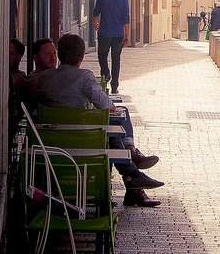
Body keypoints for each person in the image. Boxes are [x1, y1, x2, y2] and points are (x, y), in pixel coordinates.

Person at [35, 34, 164, 207]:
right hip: (84, 147)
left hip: (50, 146)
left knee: (111, 130)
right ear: (81, 58)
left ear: (59, 55)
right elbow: (107, 106)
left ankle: (133, 177)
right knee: (118, 119)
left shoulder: (44, 78)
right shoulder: (85, 76)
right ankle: (132, 164)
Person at [92, 0, 130, 94]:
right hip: (118, 33)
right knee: (116, 59)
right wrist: (127, 33)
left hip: (104, 32)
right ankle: (114, 86)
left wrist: (95, 24)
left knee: (102, 56)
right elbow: (126, 18)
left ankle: (105, 74)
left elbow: (95, 13)